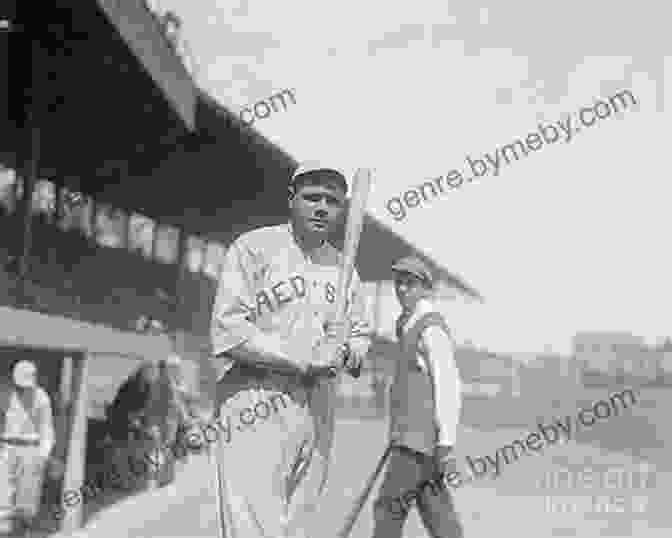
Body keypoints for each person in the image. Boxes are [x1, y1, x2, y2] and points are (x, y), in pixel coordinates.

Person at [210, 161, 372, 538]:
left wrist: (346, 349)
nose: (321, 207)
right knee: (252, 527)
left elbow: (362, 338)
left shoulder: (344, 268)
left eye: (331, 201)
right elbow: (228, 329)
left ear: (343, 209)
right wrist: (302, 357)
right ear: (291, 199)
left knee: (299, 527)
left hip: (318, 404)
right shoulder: (253, 248)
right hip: (256, 397)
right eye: (311, 197)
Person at [371, 256, 464, 538]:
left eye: (409, 283)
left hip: (417, 442)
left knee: (388, 507)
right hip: (412, 440)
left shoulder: (431, 328)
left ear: (425, 287)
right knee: (436, 510)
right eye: (398, 283)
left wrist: (447, 441)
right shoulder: (409, 325)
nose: (401, 289)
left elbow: (448, 385)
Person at [0, 360, 55, 537]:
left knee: (27, 501)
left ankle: (24, 533)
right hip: (7, 447)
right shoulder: (4, 392)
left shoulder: (41, 397)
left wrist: (43, 455)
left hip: (31, 449)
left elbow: (47, 428)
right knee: (3, 495)